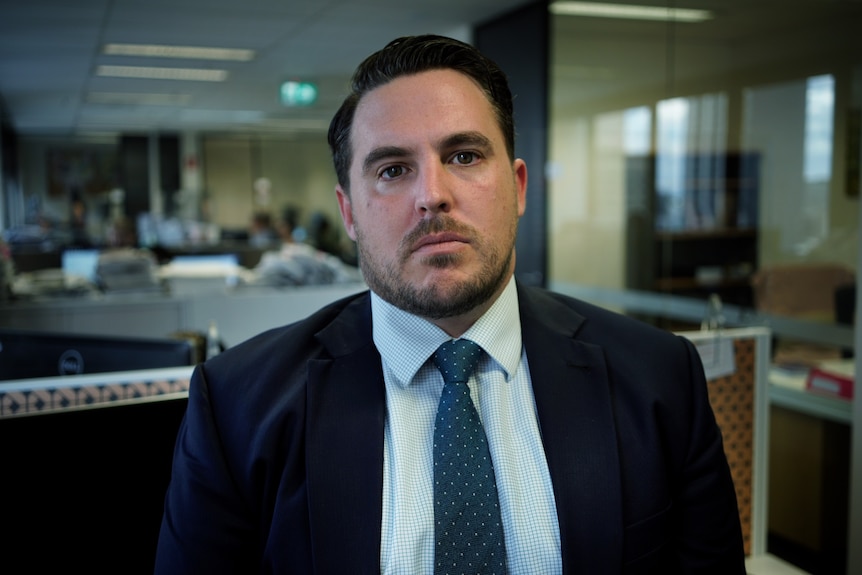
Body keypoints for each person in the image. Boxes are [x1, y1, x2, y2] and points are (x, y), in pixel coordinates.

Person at [155, 35, 745, 574]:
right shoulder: (237, 407)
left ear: (516, 188)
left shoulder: (658, 379)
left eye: (463, 156)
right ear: (350, 213)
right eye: (392, 169)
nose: (432, 195)